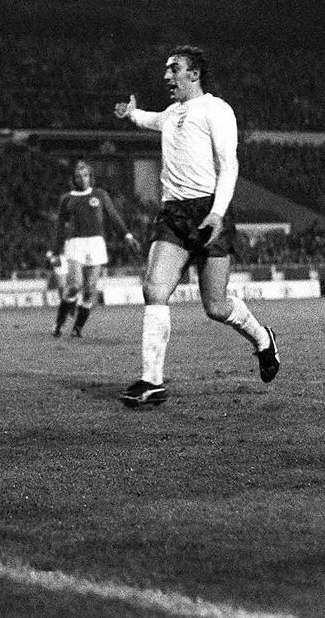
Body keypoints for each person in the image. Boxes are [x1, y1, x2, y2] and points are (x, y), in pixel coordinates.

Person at [111, 45, 282, 407]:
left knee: (216, 306)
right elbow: (149, 118)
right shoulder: (172, 113)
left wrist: (217, 213)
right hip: (173, 215)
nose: (166, 76)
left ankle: (263, 339)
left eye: (173, 69)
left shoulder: (216, 110)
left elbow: (229, 165)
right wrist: (131, 114)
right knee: (154, 288)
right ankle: (152, 381)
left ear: (194, 74)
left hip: (209, 213)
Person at [51, 159, 139, 337]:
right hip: (75, 243)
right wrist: (56, 251)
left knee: (90, 289)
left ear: (91, 177)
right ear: (73, 179)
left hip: (96, 244)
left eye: (85, 175)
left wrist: (127, 236)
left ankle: (77, 328)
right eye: (78, 176)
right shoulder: (67, 199)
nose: (82, 179)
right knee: (75, 285)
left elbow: (113, 216)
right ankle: (59, 324)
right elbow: (60, 227)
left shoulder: (100, 195)